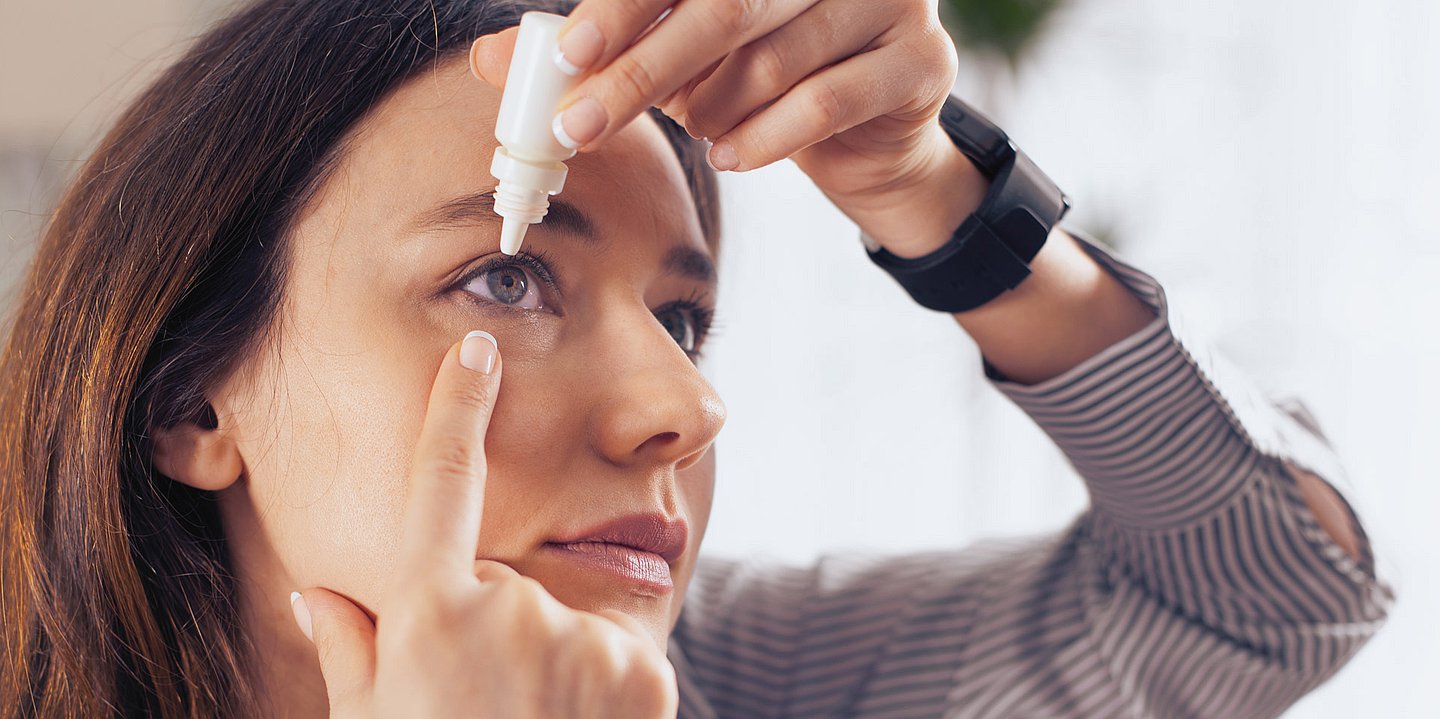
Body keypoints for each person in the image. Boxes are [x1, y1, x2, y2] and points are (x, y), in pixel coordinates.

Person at [0, 0, 1392, 716]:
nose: (684, 404)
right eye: (504, 275)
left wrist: (934, 195)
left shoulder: (744, 675)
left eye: (685, 318)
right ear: (191, 400)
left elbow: (1273, 594)